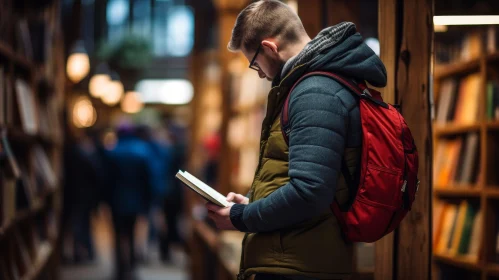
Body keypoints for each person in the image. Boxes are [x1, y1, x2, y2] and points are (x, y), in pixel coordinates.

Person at [205, 1, 387, 280]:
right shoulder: (309, 86)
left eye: (254, 63)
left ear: (269, 48)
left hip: (299, 266)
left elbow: (310, 191)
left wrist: (241, 217)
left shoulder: (315, 93)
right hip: (296, 257)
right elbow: (310, 178)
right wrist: (253, 203)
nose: (260, 74)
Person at [107, 125, 154, 280]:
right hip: (135, 201)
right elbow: (148, 180)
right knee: (133, 234)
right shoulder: (142, 152)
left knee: (118, 235)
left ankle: (120, 269)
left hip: (116, 201)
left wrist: (104, 201)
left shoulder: (112, 152)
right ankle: (132, 268)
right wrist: (147, 201)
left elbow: (106, 180)